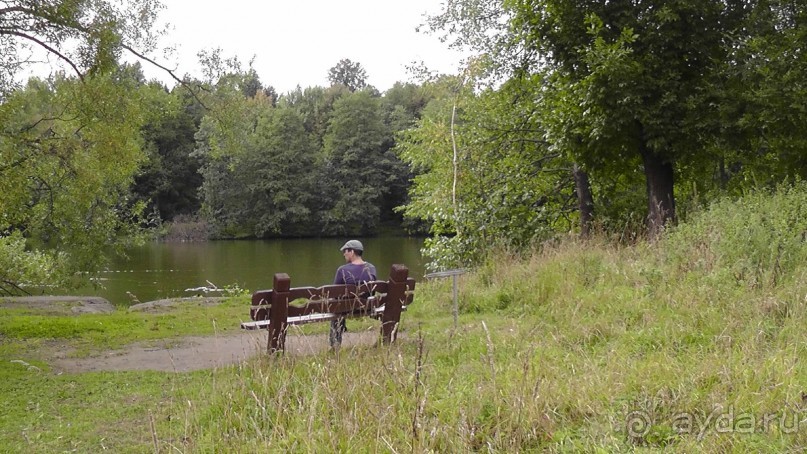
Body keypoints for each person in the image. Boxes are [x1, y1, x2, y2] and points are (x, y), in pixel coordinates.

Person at [331, 239, 377, 347]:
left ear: (352, 252)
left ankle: (335, 344)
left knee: (336, 305)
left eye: (345, 251)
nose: (344, 254)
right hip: (366, 306)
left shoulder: (342, 270)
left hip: (345, 308)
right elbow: (373, 291)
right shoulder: (371, 268)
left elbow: (334, 292)